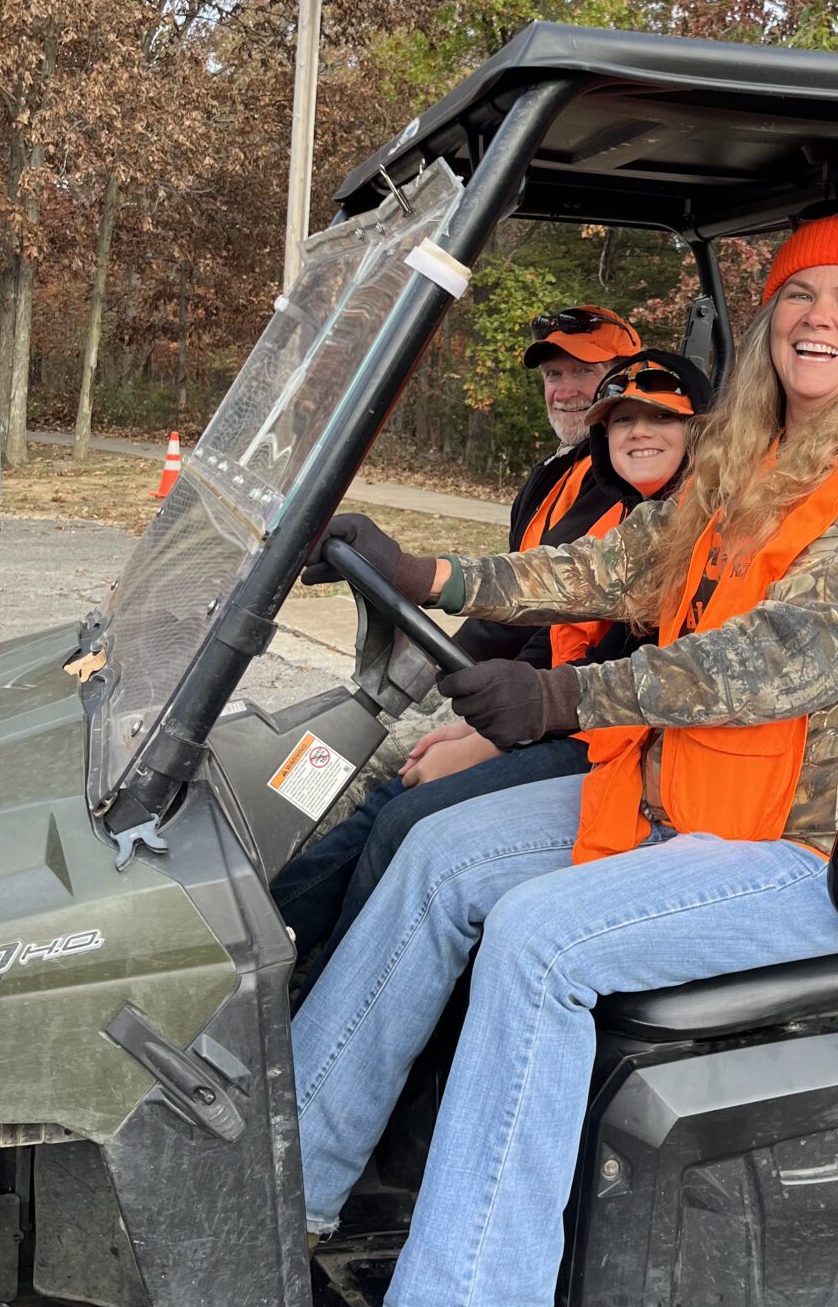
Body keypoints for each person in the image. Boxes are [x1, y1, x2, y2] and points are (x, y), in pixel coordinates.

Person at [293, 216, 838, 1307]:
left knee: (539, 940)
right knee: (438, 851)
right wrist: (434, 571)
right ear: (769, 318)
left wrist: (571, 699)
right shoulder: (757, 454)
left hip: (817, 854)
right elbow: (619, 566)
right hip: (693, 804)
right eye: (797, 297)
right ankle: (288, 1183)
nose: (816, 319)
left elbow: (789, 655)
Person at [299, 350, 713, 981]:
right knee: (370, 783)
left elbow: (634, 672)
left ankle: (321, 980)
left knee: (405, 815)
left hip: (628, 742)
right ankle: (277, 948)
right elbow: (547, 600)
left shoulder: (706, 527)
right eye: (622, 420)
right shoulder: (627, 516)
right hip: (571, 717)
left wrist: (500, 735)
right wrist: (411, 579)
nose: (638, 432)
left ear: (703, 432)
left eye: (661, 417)